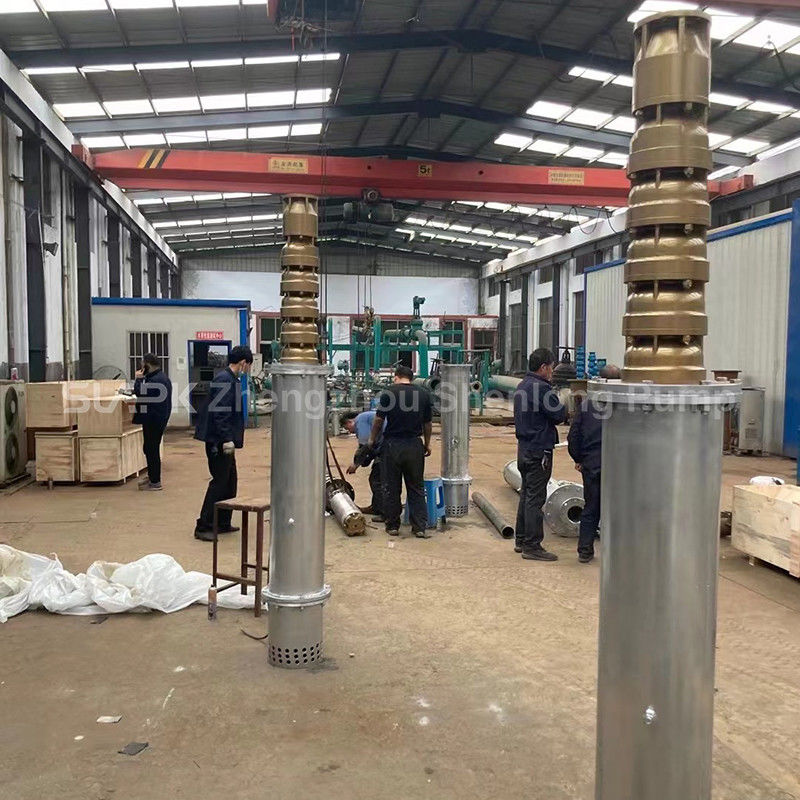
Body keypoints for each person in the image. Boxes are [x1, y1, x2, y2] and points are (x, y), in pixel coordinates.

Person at [193, 345, 253, 541]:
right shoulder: (224, 380)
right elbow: (220, 413)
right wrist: (226, 439)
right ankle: (203, 526)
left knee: (230, 482)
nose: (248, 370)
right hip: (218, 442)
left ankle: (223, 522)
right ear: (243, 363)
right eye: (249, 365)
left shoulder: (231, 379)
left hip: (224, 440)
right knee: (219, 483)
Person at [513, 347, 566, 562]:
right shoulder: (541, 389)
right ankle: (532, 545)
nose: (552, 372)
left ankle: (521, 539)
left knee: (527, 495)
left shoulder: (522, 385)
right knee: (535, 498)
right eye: (551, 367)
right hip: (539, 451)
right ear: (543, 367)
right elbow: (559, 415)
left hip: (524, 448)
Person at [369, 365, 433, 538]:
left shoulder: (389, 392)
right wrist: (427, 444)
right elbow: (427, 423)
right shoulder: (423, 394)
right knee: (416, 487)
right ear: (411, 378)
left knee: (391, 486)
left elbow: (379, 419)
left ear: (396, 377)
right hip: (414, 444)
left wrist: (372, 439)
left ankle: (392, 526)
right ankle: (419, 527)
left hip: (393, 445)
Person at [567, 364, 621, 563]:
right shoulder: (623, 406)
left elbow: (574, 436)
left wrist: (579, 459)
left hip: (592, 466)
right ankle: (616, 552)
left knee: (591, 508)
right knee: (617, 510)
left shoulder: (587, 406)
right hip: (618, 466)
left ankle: (585, 550)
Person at [133, 354, 172, 491]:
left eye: (142, 364)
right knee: (149, 448)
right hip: (156, 418)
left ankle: (155, 481)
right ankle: (152, 476)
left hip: (154, 420)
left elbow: (140, 392)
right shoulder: (160, 377)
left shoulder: (157, 380)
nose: (141, 367)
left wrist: (138, 379)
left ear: (147, 365)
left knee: (151, 449)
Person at [342, 410, 387, 521]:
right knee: (377, 477)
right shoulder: (366, 418)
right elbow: (369, 448)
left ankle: (383, 512)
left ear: (350, 422)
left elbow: (365, 445)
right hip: (386, 446)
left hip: (387, 448)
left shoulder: (360, 420)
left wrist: (355, 464)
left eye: (348, 429)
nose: (350, 432)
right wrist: (363, 461)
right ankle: (376, 507)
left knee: (377, 480)